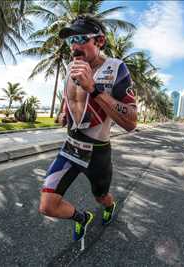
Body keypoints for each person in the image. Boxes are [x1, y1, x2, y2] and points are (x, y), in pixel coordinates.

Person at [39, 15, 137, 242]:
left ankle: (109, 206)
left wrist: (93, 88)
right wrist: (64, 112)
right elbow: (70, 96)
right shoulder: (70, 67)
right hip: (70, 148)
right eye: (70, 40)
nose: (74, 45)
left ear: (100, 41)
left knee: (101, 196)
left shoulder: (116, 69)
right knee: (47, 206)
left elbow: (131, 122)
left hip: (97, 153)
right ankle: (82, 218)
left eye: (81, 38)